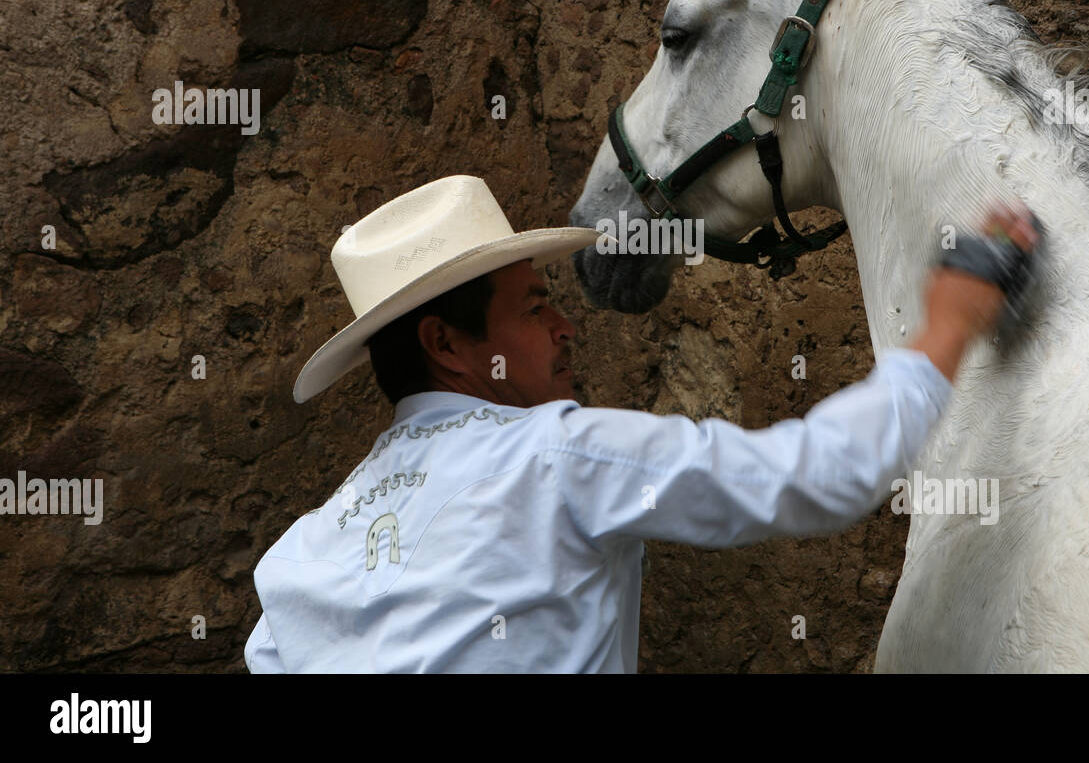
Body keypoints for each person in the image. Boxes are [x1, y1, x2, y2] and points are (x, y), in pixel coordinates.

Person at [244, 174, 1039, 672]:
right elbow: (815, 478)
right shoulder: (556, 454)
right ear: (447, 345)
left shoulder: (298, 559)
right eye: (534, 307)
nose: (566, 327)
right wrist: (947, 325)